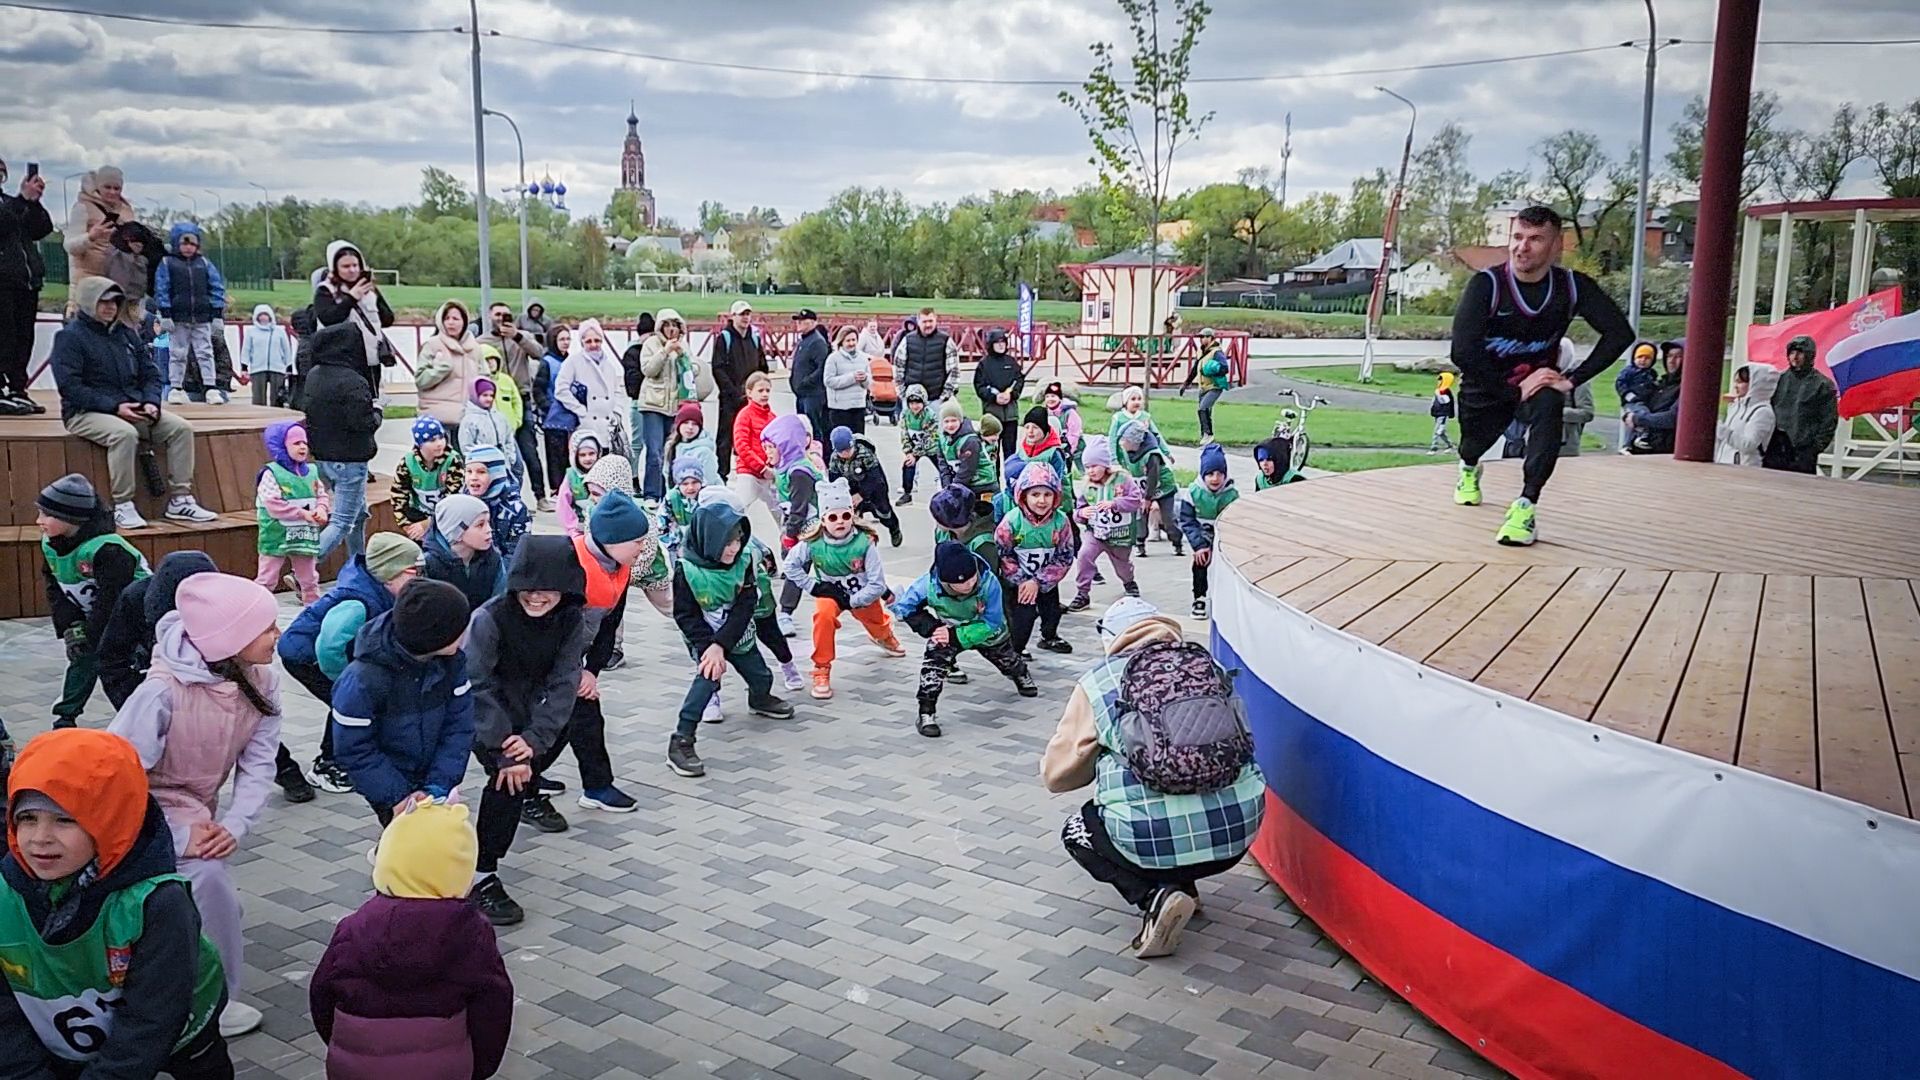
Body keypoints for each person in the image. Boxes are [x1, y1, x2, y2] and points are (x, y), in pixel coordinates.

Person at [0, 728, 233, 1078]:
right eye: (27, 818)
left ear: (109, 820)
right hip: (61, 1044)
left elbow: (151, 1018)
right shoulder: (6, 895)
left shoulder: (158, 903)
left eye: (65, 820)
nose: (39, 838)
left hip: (180, 1045)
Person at [1041, 597, 1266, 959]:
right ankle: (1186, 889)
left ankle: (1155, 897)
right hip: (1238, 834)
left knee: (1077, 830)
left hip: (1150, 845)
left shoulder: (1099, 680)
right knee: (1191, 780)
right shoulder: (1209, 667)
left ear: (1111, 637)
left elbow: (1058, 776)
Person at [108, 573, 283, 1039]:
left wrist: (236, 824)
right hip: (142, 814)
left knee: (208, 888)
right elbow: (116, 783)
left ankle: (198, 983)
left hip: (195, 811)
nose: (277, 635)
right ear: (229, 638)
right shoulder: (160, 693)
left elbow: (259, 764)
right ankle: (212, 1004)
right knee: (207, 884)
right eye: (266, 627)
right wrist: (180, 838)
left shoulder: (261, 681)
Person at [1449, 205, 1633, 545]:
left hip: (1538, 383)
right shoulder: (1486, 286)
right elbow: (1462, 352)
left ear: (1556, 245)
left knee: (1550, 405)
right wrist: (1511, 393)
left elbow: (1620, 334)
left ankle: (1526, 506)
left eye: (1535, 239)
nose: (1523, 247)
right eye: (1517, 237)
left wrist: (1573, 379)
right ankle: (1470, 469)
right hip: (1487, 385)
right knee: (1471, 445)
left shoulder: (1573, 287)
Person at [310, 802, 513, 1079]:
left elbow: (321, 994)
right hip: (444, 1067)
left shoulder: (353, 926)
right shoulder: (472, 933)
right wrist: (480, 1067)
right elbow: (493, 1006)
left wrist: (340, 1046)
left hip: (355, 1066)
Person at [463, 535, 589, 924]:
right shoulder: (489, 618)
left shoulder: (571, 618)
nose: (537, 597)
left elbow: (565, 680)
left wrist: (534, 740)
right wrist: (505, 749)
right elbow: (477, 684)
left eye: (548, 589)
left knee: (570, 723)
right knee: (507, 781)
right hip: (486, 713)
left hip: (532, 710)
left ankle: (531, 786)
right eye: (528, 589)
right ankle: (481, 874)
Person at [52, 278, 217, 529]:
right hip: (85, 412)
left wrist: (152, 402)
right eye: (103, 301)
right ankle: (123, 504)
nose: (110, 307)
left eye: (115, 302)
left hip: (134, 406)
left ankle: (180, 500)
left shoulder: (126, 335)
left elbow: (150, 374)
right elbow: (70, 388)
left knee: (181, 428)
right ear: (88, 303)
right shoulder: (69, 338)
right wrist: (115, 407)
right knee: (123, 435)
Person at [276, 535, 423, 795]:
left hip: (328, 655)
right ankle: (327, 766)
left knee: (352, 701)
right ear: (390, 574)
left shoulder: (379, 589)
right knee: (347, 703)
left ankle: (336, 759)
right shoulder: (358, 600)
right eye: (415, 572)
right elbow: (330, 645)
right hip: (306, 656)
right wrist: (345, 680)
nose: (420, 578)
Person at [329, 578, 474, 827]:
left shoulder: (452, 662)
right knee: (405, 847)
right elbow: (354, 748)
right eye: (459, 629)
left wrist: (439, 784)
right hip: (390, 785)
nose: (465, 633)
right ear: (435, 636)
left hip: (434, 779)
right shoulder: (363, 680)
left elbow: (460, 725)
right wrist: (397, 797)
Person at [667, 500, 796, 777]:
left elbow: (745, 604)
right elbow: (685, 615)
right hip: (703, 637)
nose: (734, 548)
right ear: (709, 538)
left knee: (761, 676)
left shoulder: (745, 560)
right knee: (708, 679)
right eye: (726, 542)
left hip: (737, 634)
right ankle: (681, 739)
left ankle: (759, 699)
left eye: (738, 540)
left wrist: (722, 644)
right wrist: (710, 648)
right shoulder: (687, 569)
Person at [38, 473, 151, 728]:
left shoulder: (109, 549)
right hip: (95, 617)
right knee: (82, 658)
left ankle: (137, 717)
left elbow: (113, 600)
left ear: (71, 519)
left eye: (47, 515)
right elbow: (55, 588)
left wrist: (90, 633)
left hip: (136, 620)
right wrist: (70, 626)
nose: (39, 521)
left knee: (118, 668)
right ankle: (65, 718)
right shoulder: (50, 544)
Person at [893, 541, 1036, 738]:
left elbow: (992, 621)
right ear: (945, 581)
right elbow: (905, 608)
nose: (969, 585)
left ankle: (1020, 673)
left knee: (1007, 660)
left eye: (971, 579)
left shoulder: (988, 582)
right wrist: (932, 628)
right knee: (932, 668)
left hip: (985, 630)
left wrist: (957, 636)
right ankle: (926, 712)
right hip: (947, 630)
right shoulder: (928, 585)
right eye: (960, 584)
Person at [781, 479, 905, 699]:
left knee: (876, 622)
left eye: (845, 516)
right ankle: (821, 668)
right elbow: (790, 565)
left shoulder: (865, 542)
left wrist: (854, 601)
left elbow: (877, 583)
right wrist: (814, 586)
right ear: (823, 520)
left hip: (861, 594)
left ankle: (884, 635)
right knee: (823, 616)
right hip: (830, 594)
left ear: (852, 515)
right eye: (833, 517)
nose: (840, 522)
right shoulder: (813, 543)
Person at [298, 321, 381, 560]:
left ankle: (358, 562)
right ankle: (306, 565)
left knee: (358, 514)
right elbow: (363, 423)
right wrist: (378, 413)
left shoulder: (314, 375)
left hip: (323, 457)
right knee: (342, 522)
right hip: (351, 460)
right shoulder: (353, 381)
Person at [994, 462, 1076, 657]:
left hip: (1045, 578)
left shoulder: (1061, 521)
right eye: (1035, 495)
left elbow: (1065, 556)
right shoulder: (1012, 521)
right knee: (1023, 616)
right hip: (1018, 583)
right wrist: (1023, 580)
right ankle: (1015, 650)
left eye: (1048, 495)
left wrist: (1039, 581)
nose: (1042, 501)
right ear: (1023, 495)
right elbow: (1003, 554)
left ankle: (1049, 636)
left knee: (1051, 610)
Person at [631, 308, 711, 501]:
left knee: (673, 451)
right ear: (660, 327)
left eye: (675, 325)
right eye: (667, 325)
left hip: (676, 406)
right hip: (653, 404)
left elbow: (692, 370)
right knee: (655, 451)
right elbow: (648, 370)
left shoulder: (684, 345)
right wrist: (664, 351)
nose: (671, 329)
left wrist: (683, 356)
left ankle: (672, 492)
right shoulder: (651, 343)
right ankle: (652, 493)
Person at [64, 166, 157, 329]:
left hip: (119, 284)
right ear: (98, 186)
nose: (113, 192)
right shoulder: (83, 207)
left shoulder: (126, 209)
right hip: (88, 284)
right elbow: (70, 247)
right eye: (108, 187)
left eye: (117, 188)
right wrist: (91, 236)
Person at [253, 420, 329, 603]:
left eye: (305, 443)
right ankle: (255, 610)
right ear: (281, 446)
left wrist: (322, 509)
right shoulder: (271, 473)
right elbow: (273, 505)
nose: (302, 447)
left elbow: (321, 494)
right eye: (296, 443)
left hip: (303, 534)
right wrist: (303, 514)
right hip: (276, 534)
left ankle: (313, 611)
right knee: (267, 579)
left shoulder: (311, 471)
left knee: (309, 578)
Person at [155, 223, 228, 405]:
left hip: (202, 317)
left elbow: (216, 287)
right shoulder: (167, 263)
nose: (188, 248)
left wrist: (217, 313)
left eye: (192, 244)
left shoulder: (204, 264)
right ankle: (176, 387)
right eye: (184, 243)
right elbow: (162, 288)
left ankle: (210, 386)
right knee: (177, 353)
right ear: (176, 243)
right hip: (178, 317)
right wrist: (165, 314)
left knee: (205, 352)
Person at [0, 157, 52, 414]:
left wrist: (33, 203)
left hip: (25, 281)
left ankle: (18, 388)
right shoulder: (11, 205)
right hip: (3, 281)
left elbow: (41, 229)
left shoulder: (10, 203)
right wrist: (21, 200)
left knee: (24, 338)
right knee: (4, 337)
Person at [311, 240, 394, 395]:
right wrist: (351, 298)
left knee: (372, 403)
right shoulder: (325, 290)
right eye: (346, 266)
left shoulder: (369, 290)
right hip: (341, 362)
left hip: (370, 360)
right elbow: (328, 318)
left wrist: (373, 293)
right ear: (335, 268)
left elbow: (388, 319)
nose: (352, 270)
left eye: (355, 265)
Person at [1069, 437, 1143, 611]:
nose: (1091, 471)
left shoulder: (1123, 479)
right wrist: (1081, 514)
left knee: (1122, 565)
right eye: (1087, 467)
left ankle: (1129, 582)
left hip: (1119, 535)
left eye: (1094, 466)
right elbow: (1079, 508)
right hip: (1095, 532)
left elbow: (1136, 500)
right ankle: (1082, 593)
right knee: (1084, 556)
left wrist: (1116, 504)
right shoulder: (1087, 485)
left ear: (1105, 464)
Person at [1176, 444, 1238, 619]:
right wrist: (1199, 546)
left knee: (1226, 568)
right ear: (1203, 475)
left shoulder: (1231, 495)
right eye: (1210, 474)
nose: (1215, 479)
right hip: (1201, 538)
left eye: (1220, 474)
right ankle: (1200, 598)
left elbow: (1234, 522)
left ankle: (1225, 599)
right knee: (1200, 563)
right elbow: (1187, 521)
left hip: (1224, 538)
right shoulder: (1193, 493)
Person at [709, 301, 770, 477]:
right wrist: (733, 391)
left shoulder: (755, 337)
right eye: (741, 314)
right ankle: (722, 474)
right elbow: (718, 368)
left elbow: (762, 365)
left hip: (752, 398)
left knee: (754, 435)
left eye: (748, 314)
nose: (745, 318)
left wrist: (759, 389)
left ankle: (753, 470)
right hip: (730, 397)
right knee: (726, 437)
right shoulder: (725, 338)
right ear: (733, 316)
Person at [555, 318, 629, 461]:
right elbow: (561, 389)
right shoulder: (573, 362)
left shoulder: (609, 365)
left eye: (597, 340)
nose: (593, 345)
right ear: (582, 342)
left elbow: (617, 391)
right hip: (586, 425)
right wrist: (581, 411)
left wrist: (617, 413)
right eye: (588, 341)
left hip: (608, 426)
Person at [414, 301, 485, 441]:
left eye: (456, 319)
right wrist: (440, 369)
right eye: (447, 319)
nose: (451, 323)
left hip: (467, 418)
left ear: (464, 322)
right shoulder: (432, 345)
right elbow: (420, 381)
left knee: (466, 461)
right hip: (437, 419)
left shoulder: (475, 348)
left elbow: (484, 380)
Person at [426, 491, 507, 612]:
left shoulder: (493, 560)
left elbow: (499, 604)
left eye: (488, 523)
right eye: (480, 525)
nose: (489, 530)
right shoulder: (429, 566)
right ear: (456, 532)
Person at [1771, 334, 1839, 474]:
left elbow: (1828, 420)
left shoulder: (1822, 385)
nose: (1795, 357)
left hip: (1803, 452)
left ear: (1809, 356)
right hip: (1777, 449)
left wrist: (1814, 448)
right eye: (1792, 352)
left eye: (1800, 353)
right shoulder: (1779, 380)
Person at [826, 425, 902, 547]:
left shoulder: (864, 453)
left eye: (848, 450)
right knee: (852, 518)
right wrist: (844, 496)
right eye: (842, 452)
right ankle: (859, 543)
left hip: (873, 487)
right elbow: (834, 481)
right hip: (851, 488)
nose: (846, 453)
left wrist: (861, 495)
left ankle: (894, 529)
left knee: (883, 513)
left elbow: (876, 478)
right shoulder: (835, 458)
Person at [1116, 416, 1182, 558]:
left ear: (1135, 441)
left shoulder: (1152, 455)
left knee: (1168, 518)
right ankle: (1140, 543)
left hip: (1163, 487)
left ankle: (1176, 541)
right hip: (1141, 488)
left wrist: (1147, 498)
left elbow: (1153, 478)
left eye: (1125, 440)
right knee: (1140, 516)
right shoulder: (1126, 452)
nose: (1122, 443)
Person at [392, 417, 464, 542]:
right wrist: (406, 525)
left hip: (446, 517)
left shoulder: (453, 460)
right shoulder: (408, 462)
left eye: (441, 437)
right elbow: (398, 495)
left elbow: (453, 500)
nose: (439, 443)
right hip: (418, 514)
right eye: (432, 440)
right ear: (420, 444)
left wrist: (428, 524)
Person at [728, 371, 782, 522]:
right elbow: (741, 446)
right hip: (749, 472)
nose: (765, 394)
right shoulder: (744, 415)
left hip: (769, 474)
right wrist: (760, 468)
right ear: (749, 392)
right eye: (760, 390)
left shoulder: (773, 418)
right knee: (738, 509)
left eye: (767, 390)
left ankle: (787, 542)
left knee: (781, 512)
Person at [464, 445, 530, 562]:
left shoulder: (515, 510)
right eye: (469, 471)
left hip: (500, 571)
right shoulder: (460, 505)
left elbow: (517, 554)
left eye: (481, 472)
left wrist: (495, 575)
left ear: (496, 474)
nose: (473, 477)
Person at [934, 398, 998, 512]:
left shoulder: (970, 441)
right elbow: (943, 466)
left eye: (954, 420)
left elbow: (967, 470)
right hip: (962, 483)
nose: (950, 425)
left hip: (981, 484)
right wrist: (947, 487)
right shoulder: (942, 440)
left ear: (961, 420)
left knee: (980, 520)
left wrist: (952, 491)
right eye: (946, 421)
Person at [1716, 364, 1779, 468]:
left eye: (1740, 382)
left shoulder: (1763, 412)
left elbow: (1749, 445)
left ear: (1755, 384)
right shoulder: (1736, 406)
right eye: (1735, 381)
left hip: (1745, 470)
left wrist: (1722, 430)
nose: (1735, 386)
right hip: (1725, 466)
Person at [893, 307, 960, 402]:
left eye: (930, 321)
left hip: (937, 399)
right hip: (911, 401)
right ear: (918, 321)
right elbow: (898, 369)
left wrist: (945, 397)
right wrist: (903, 395)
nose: (928, 324)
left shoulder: (946, 341)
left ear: (936, 320)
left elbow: (954, 372)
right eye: (924, 322)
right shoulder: (907, 341)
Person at [1178, 328, 1231, 442]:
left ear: (1211, 338)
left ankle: (1208, 434)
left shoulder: (1216, 352)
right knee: (1206, 412)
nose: (1202, 339)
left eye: (1204, 337)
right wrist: (1186, 384)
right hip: (1203, 387)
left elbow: (1225, 368)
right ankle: (1204, 436)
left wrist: (1211, 370)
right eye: (1201, 337)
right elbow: (1195, 369)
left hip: (1214, 386)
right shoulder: (1201, 352)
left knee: (1203, 408)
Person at [540, 324, 575, 495]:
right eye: (562, 339)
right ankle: (556, 489)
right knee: (555, 458)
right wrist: (549, 408)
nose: (565, 342)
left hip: (571, 417)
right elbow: (538, 390)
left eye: (568, 339)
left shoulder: (572, 361)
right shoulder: (547, 363)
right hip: (554, 418)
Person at [237, 304, 295, 407]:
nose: (263, 317)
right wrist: (244, 367)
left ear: (270, 316)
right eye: (260, 315)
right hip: (258, 367)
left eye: (266, 315)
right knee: (258, 398)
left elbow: (286, 349)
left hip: (277, 367)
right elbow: (246, 350)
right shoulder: (251, 332)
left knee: (277, 397)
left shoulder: (279, 331)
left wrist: (288, 366)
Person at [789, 308, 830, 445]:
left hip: (813, 394)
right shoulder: (804, 341)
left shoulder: (817, 342)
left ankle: (818, 458)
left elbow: (822, 368)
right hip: (801, 394)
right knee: (803, 428)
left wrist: (806, 382)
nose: (799, 323)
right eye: (798, 321)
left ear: (812, 322)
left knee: (814, 429)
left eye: (803, 321)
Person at [823, 323, 873, 436]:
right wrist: (852, 378)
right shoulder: (833, 358)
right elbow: (828, 381)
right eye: (848, 340)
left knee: (858, 441)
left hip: (858, 406)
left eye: (854, 340)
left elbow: (869, 383)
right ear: (842, 341)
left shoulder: (863, 358)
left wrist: (865, 379)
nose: (851, 343)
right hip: (839, 408)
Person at [555, 430, 604, 538]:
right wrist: (572, 529)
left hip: (604, 527)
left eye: (591, 453)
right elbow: (563, 506)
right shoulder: (571, 476)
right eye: (582, 455)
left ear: (598, 453)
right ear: (575, 456)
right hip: (580, 529)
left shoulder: (605, 473)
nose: (588, 458)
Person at [459, 375, 516, 467]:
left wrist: (510, 458)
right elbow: (466, 446)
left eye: (491, 395)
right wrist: (477, 462)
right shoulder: (469, 420)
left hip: (503, 465)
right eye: (485, 395)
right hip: (482, 466)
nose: (489, 399)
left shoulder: (500, 417)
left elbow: (509, 439)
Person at [1010, 404, 1071, 488]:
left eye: (1035, 427)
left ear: (1044, 430)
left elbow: (1057, 482)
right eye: (1027, 427)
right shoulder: (1022, 450)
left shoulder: (1053, 453)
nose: (1030, 431)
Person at [664, 400, 721, 488]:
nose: (690, 427)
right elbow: (667, 476)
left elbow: (709, 482)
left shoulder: (704, 451)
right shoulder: (671, 447)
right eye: (686, 423)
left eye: (694, 424)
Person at [896, 384, 936, 505]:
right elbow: (904, 435)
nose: (915, 406)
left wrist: (915, 453)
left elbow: (930, 437)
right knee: (908, 465)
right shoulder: (905, 415)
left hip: (931, 447)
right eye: (911, 403)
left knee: (943, 468)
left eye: (918, 402)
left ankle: (950, 489)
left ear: (924, 401)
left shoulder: (930, 415)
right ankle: (907, 493)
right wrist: (909, 452)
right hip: (914, 447)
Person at [1615, 342, 1660, 436]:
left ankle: (1639, 436)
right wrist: (1628, 395)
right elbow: (1620, 383)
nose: (1643, 360)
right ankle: (1642, 433)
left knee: (1646, 414)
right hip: (1633, 401)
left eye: (1647, 358)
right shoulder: (1629, 371)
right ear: (1634, 358)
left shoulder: (1651, 373)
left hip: (1646, 401)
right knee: (1641, 415)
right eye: (1640, 357)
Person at [1041, 382, 1084, 473]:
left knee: (1082, 469)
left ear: (1060, 398)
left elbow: (1074, 433)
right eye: (1047, 396)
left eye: (1053, 396)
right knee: (1060, 471)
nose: (1050, 399)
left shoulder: (1069, 412)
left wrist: (1069, 450)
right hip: (1055, 447)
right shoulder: (1045, 413)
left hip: (1073, 446)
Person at [1428, 371, 1455, 453]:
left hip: (1443, 415)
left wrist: (1438, 394)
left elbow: (1445, 402)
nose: (1438, 382)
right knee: (1441, 432)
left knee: (1437, 431)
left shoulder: (1445, 392)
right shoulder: (1438, 390)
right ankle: (1450, 445)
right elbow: (1435, 402)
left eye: (1440, 380)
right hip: (1437, 414)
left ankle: (1433, 448)